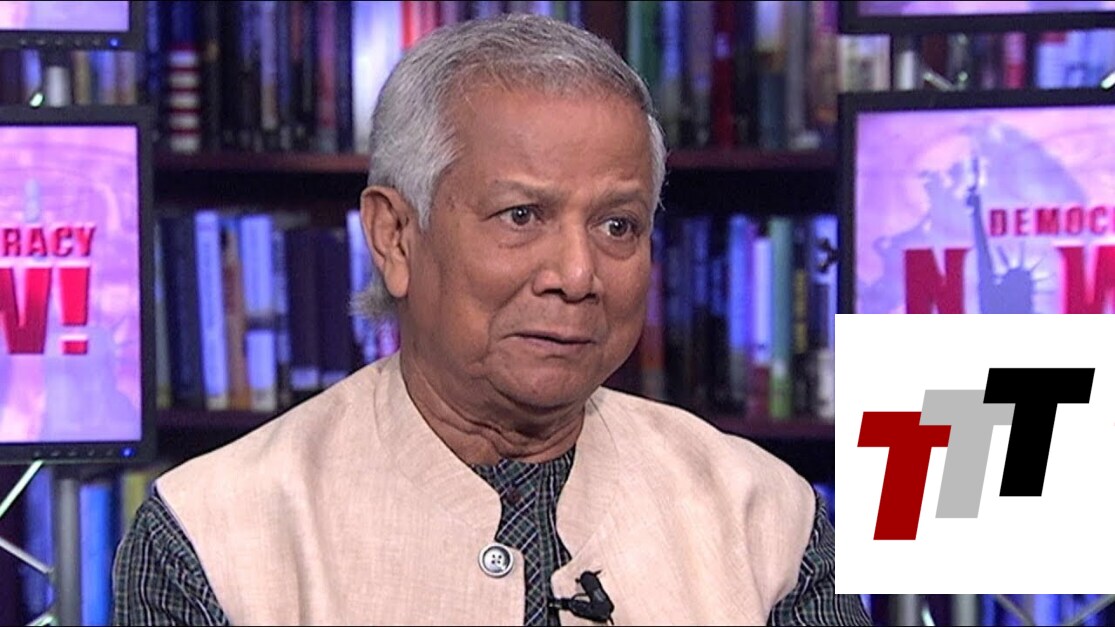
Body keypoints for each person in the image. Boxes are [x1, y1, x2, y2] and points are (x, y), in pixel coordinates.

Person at [112, 14, 872, 627]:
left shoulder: (765, 516)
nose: (577, 275)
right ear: (395, 237)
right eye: (521, 215)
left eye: (617, 225)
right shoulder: (211, 535)